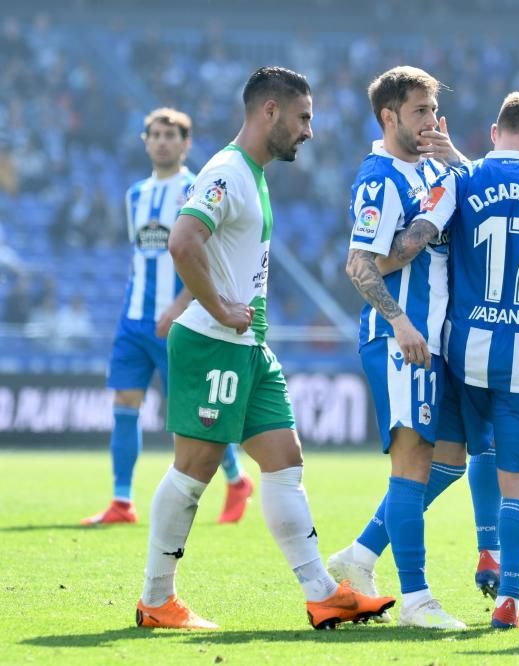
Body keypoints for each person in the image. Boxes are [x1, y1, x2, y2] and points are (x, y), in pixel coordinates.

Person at [134, 67, 394, 630]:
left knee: (284, 460)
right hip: (214, 345)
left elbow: (215, 255)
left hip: (248, 347)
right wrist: (221, 308)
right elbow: (183, 241)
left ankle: (322, 593)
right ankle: (156, 600)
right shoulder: (227, 171)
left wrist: (229, 312)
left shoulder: (252, 174)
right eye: (303, 118)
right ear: (269, 111)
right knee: (194, 471)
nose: (309, 131)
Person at [389, 89, 519, 629]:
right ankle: (509, 595)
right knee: (517, 478)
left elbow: (419, 236)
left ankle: (370, 547)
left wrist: (367, 261)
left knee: (438, 465)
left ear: (493, 129)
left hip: (461, 354)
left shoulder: (463, 177)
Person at [340, 66, 468, 630]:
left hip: (433, 339)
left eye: (434, 110)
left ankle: (362, 554)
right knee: (414, 462)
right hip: (402, 339)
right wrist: (399, 322)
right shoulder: (379, 178)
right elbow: (360, 264)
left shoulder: (435, 169)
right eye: (420, 111)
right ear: (389, 115)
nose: (431, 121)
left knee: (451, 461)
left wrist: (453, 167)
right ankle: (417, 600)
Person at [82, 108, 253, 527]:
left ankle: (236, 479)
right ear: (145, 141)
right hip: (133, 319)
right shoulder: (135, 195)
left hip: (179, 320)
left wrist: (178, 306)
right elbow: (141, 256)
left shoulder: (197, 188)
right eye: (154, 134)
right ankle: (122, 501)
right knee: (125, 402)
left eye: (170, 135)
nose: (161, 141)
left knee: (193, 414)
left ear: (185, 143)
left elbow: (201, 254)